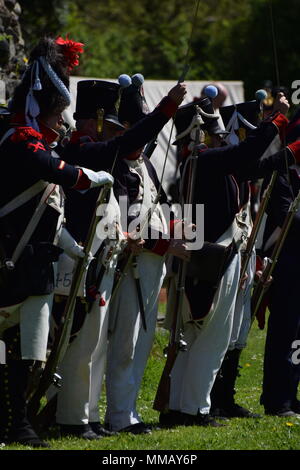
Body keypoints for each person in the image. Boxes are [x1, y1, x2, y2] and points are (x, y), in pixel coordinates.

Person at [0, 36, 114, 447]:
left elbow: (50, 215)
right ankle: (15, 422)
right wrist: (89, 176)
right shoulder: (17, 139)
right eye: (57, 112)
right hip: (11, 262)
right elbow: (52, 169)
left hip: (35, 265)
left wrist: (74, 248)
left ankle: (18, 421)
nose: (62, 122)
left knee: (28, 353)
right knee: (7, 351)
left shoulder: (29, 138)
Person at [159, 91, 297, 428]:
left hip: (211, 256)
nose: (221, 135)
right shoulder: (204, 160)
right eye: (213, 129)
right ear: (199, 133)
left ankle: (182, 407)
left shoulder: (205, 161)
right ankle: (193, 409)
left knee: (201, 338)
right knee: (207, 338)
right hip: (211, 258)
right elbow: (250, 153)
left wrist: (292, 150)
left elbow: (256, 165)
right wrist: (278, 118)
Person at [103, 75, 190, 434]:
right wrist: (166, 244)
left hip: (152, 265)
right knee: (125, 342)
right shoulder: (117, 166)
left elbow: (156, 209)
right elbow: (124, 221)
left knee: (140, 342)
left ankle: (129, 410)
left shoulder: (146, 165)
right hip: (129, 264)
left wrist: (178, 231)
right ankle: (119, 415)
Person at [53, 79, 129, 440]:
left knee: (96, 346)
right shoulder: (79, 151)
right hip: (80, 260)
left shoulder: (93, 152)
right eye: (108, 127)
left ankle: (89, 415)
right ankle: (71, 417)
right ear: (94, 122)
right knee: (80, 343)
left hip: (103, 259)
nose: (113, 135)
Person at [258, 109, 300, 417]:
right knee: (285, 333)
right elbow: (288, 217)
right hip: (287, 264)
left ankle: (292, 392)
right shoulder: (282, 175)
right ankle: (278, 398)